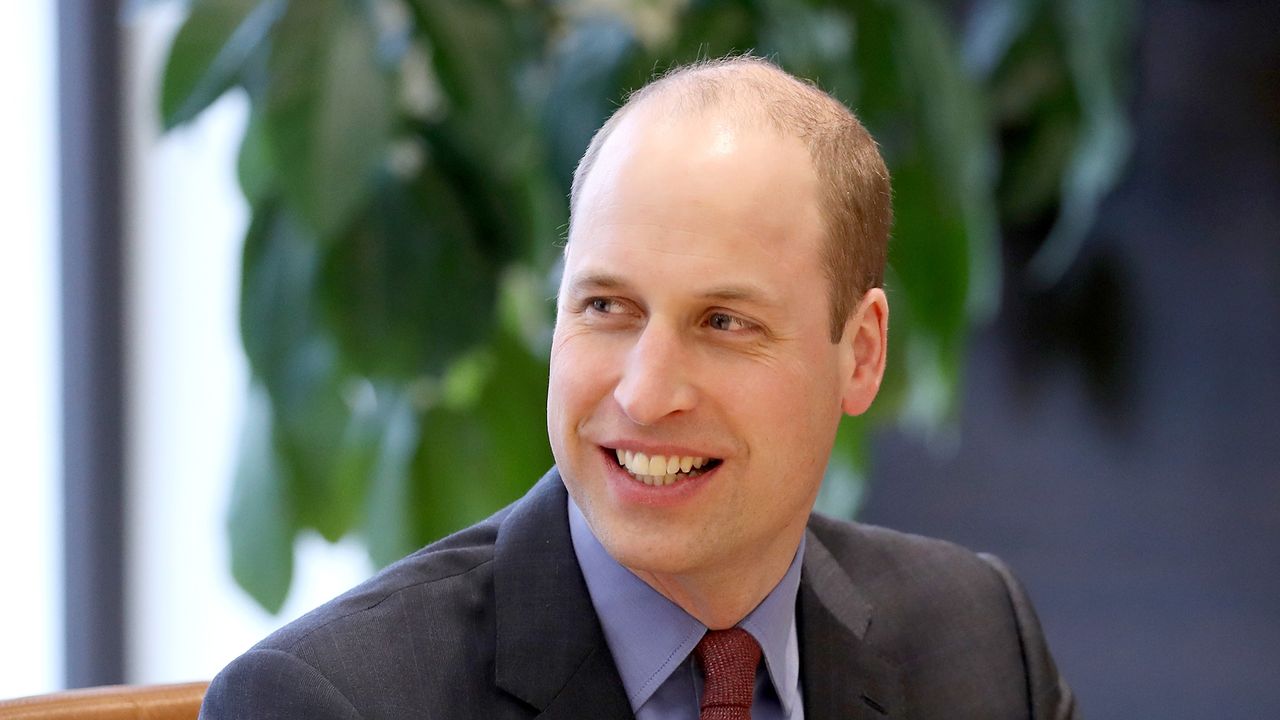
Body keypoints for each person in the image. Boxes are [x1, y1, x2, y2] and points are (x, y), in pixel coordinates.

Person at [200, 55, 1076, 719]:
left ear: (863, 354)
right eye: (607, 306)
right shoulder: (328, 702)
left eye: (725, 323)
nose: (647, 394)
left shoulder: (982, 643)